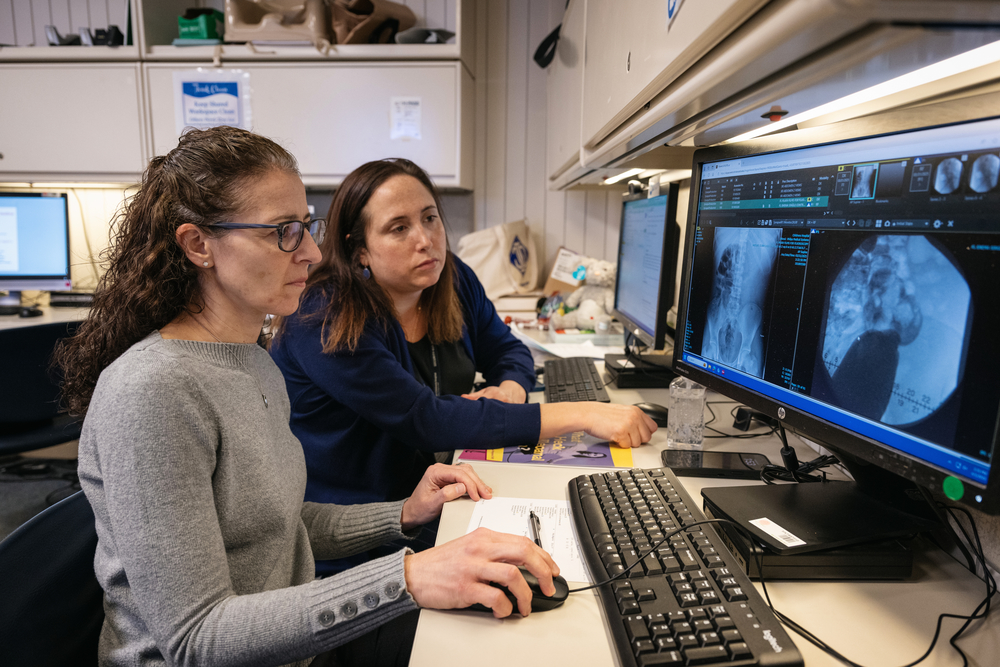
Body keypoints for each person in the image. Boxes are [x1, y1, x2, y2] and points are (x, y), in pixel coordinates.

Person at [54, 127, 559, 667]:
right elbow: (197, 639)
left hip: (294, 644)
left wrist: (403, 515)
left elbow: (279, 527)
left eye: (308, 227)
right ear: (198, 245)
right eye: (283, 232)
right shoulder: (151, 395)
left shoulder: (252, 360)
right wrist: (406, 577)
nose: (313, 252)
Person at [269, 158, 657, 571]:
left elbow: (508, 350)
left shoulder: (450, 279)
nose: (426, 240)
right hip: (355, 539)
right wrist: (583, 414)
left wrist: (512, 389)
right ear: (359, 248)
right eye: (399, 228)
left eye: (430, 219)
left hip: (426, 500)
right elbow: (424, 418)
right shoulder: (326, 315)